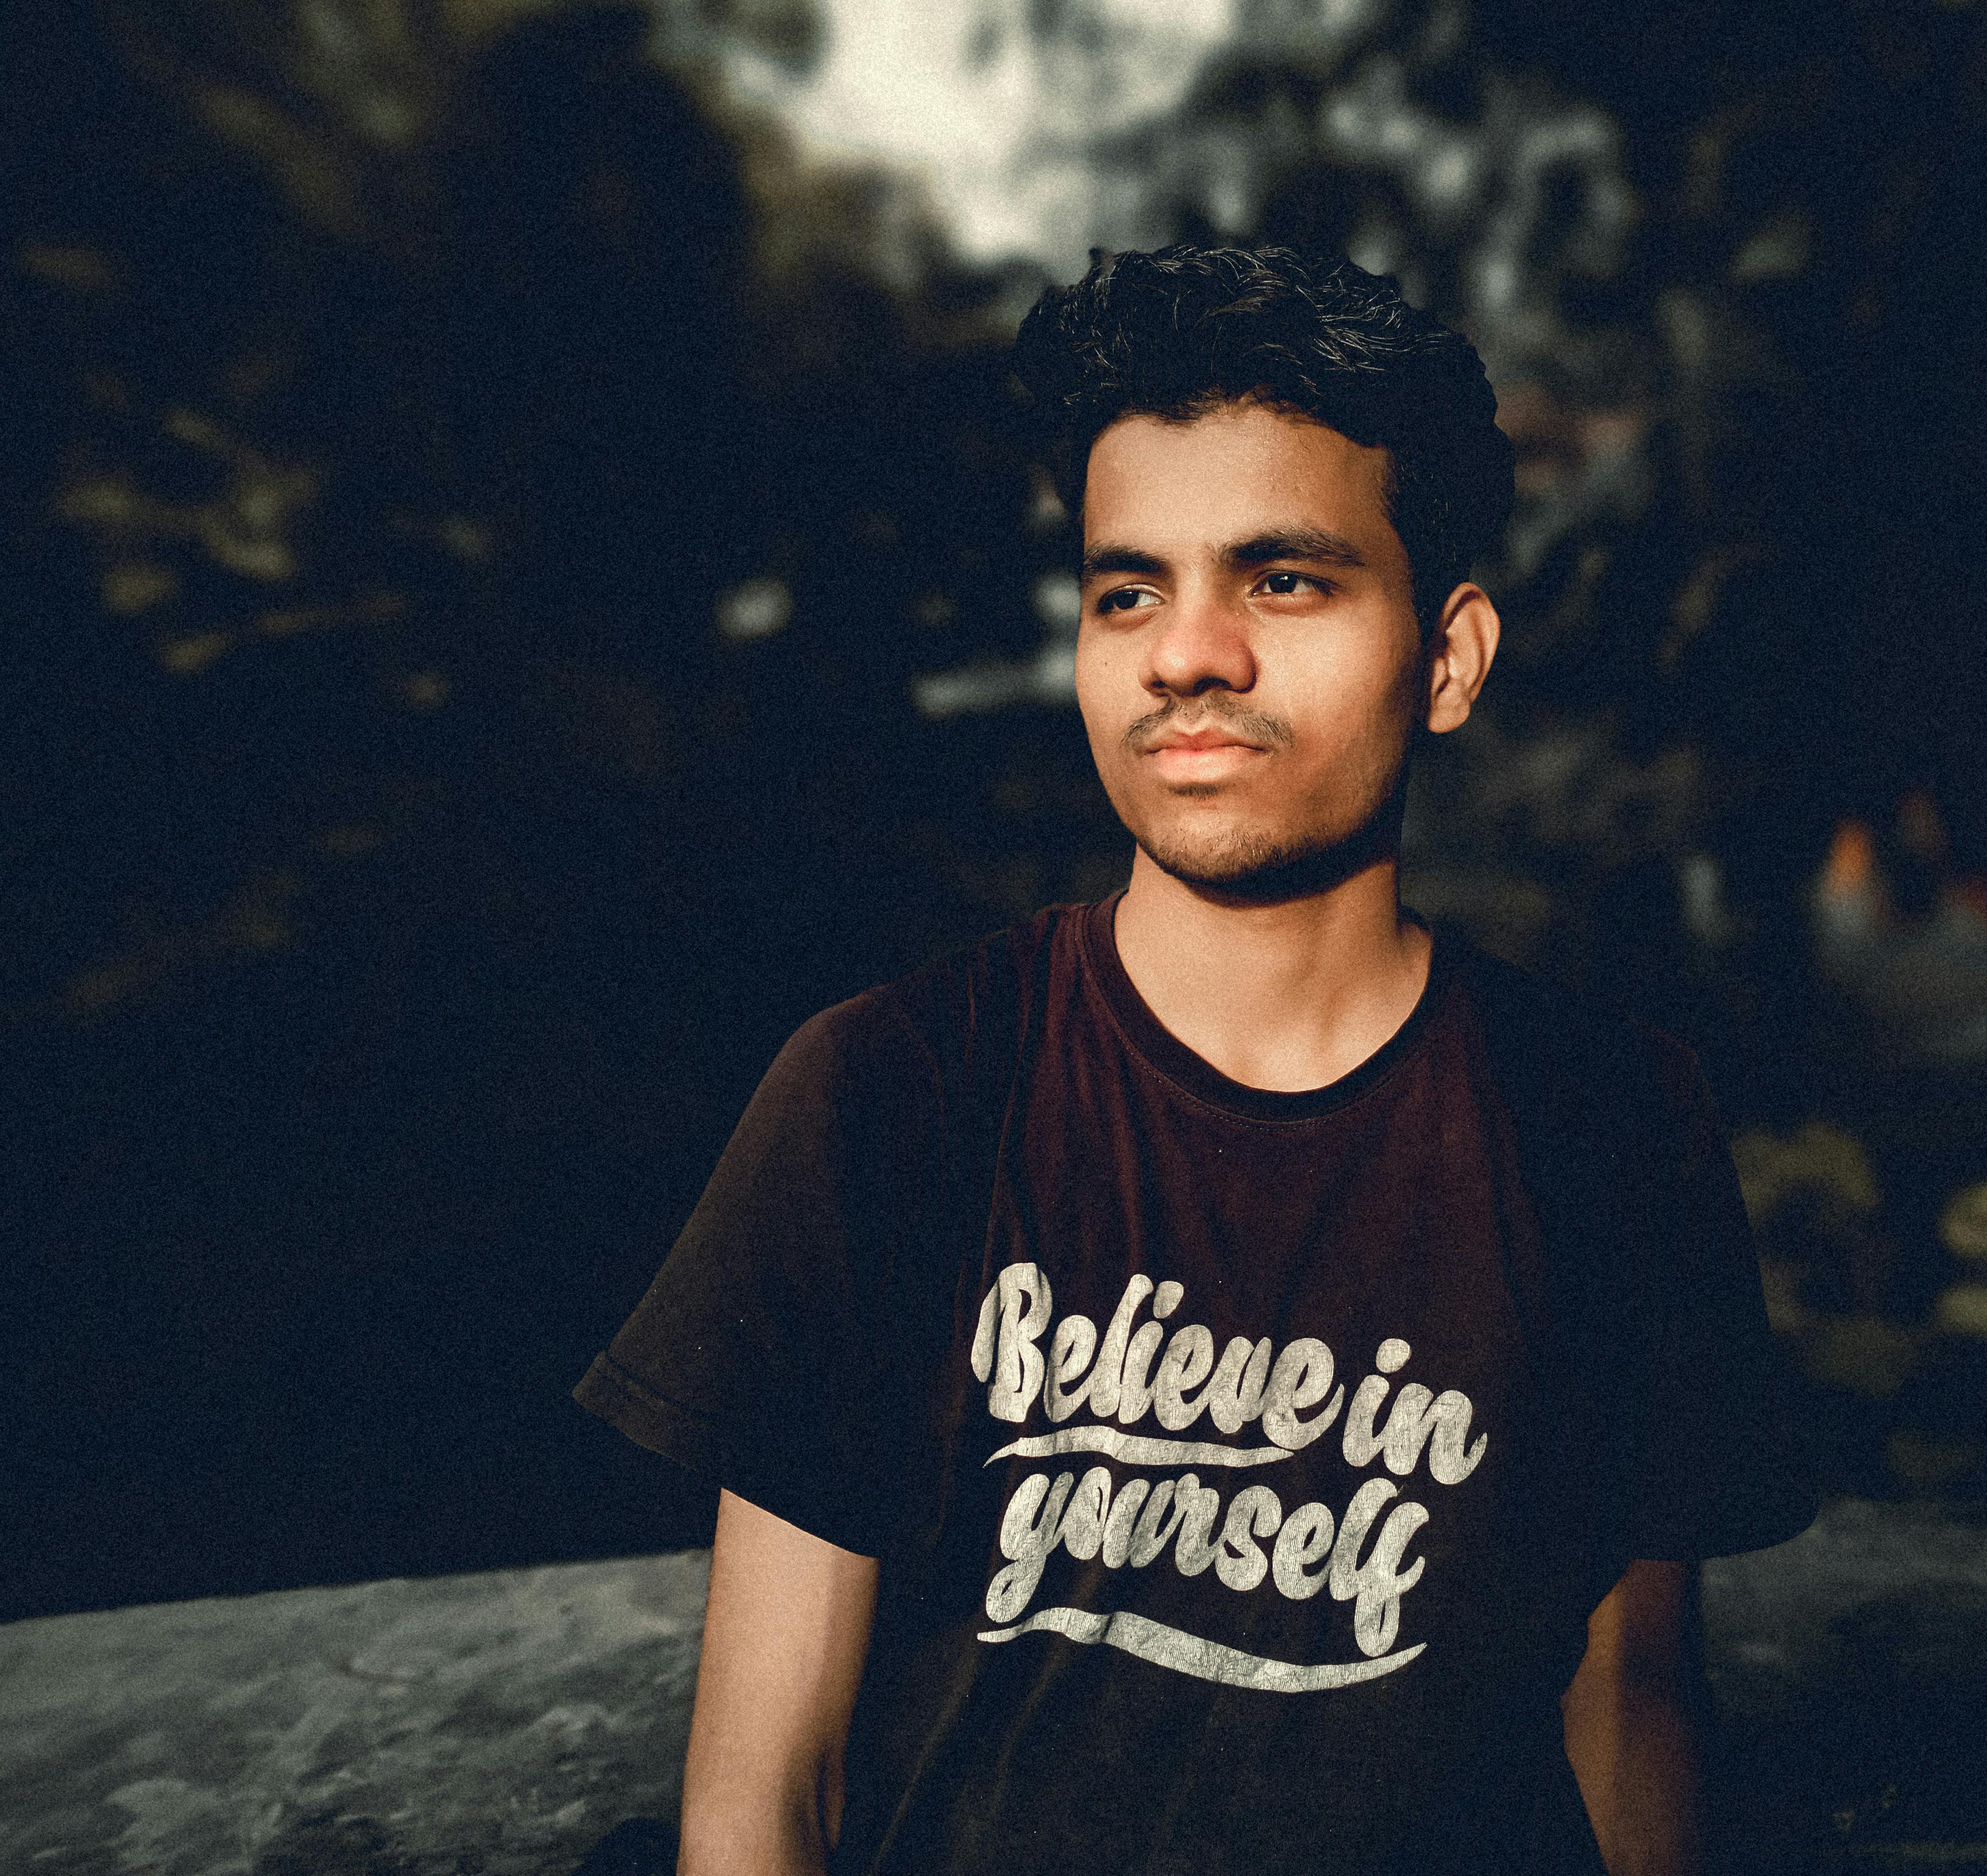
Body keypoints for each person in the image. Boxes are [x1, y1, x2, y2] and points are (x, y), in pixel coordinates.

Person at [573, 243, 1816, 1876]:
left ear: (1447, 659)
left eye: (1282, 580)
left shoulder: (1604, 1123)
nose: (1185, 656)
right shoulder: (889, 1094)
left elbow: (1631, 1709)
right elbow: (762, 1797)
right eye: (1127, 590)